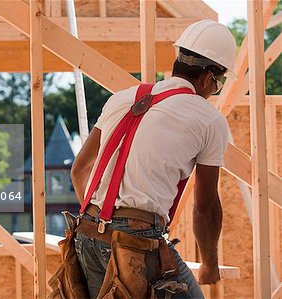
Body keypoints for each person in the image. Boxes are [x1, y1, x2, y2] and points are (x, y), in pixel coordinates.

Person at [70, 19, 237, 298]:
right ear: (210, 77)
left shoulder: (122, 99)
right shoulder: (208, 119)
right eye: (217, 85)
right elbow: (205, 207)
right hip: (137, 241)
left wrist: (100, 222)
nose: (213, 92)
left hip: (86, 234)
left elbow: (79, 170)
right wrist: (210, 264)